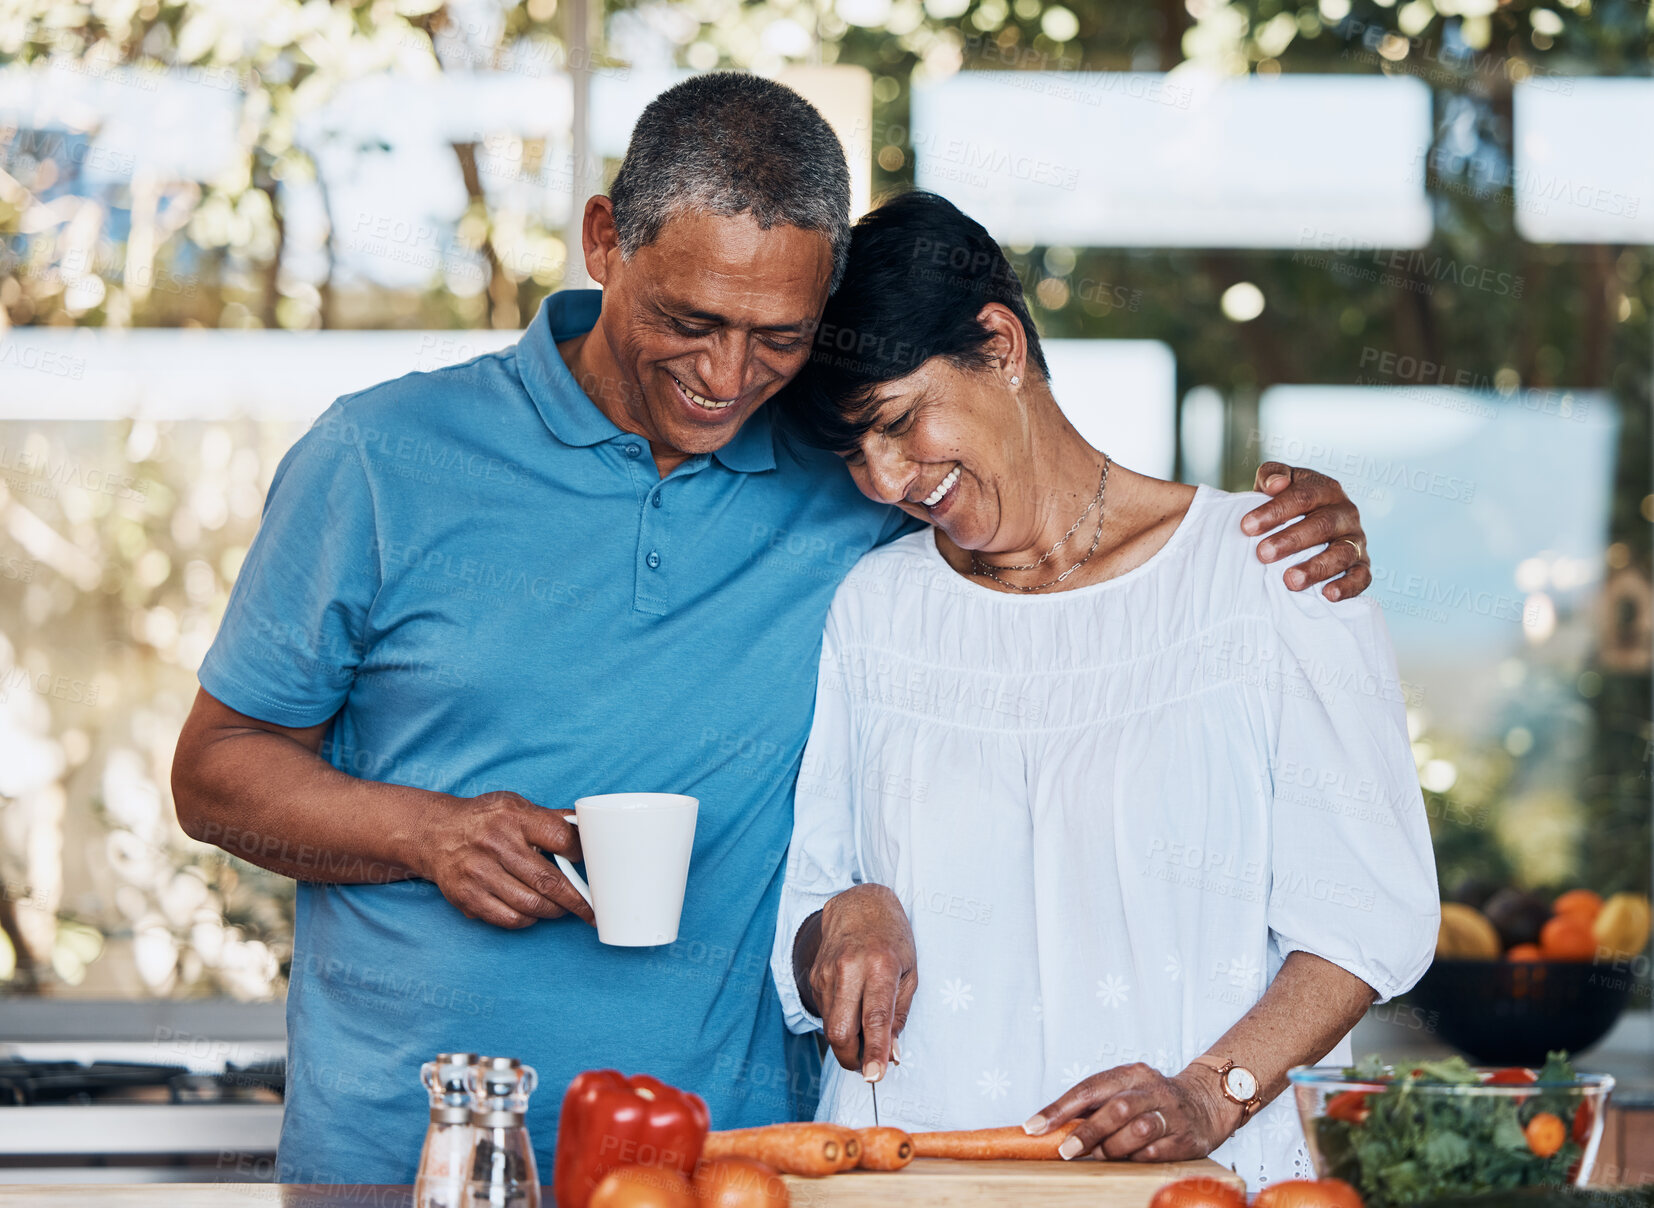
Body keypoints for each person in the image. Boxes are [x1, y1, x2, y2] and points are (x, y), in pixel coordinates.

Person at [170, 76, 1373, 1182]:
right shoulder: (381, 459)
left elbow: (1047, 530)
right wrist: (427, 831)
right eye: (690, 318)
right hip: (412, 1148)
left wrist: (1257, 541)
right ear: (605, 241)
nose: (727, 375)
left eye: (778, 336)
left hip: (739, 1159)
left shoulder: (848, 480)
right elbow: (216, 771)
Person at [770, 191, 1438, 1191]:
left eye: (898, 423)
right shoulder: (876, 609)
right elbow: (809, 914)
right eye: (852, 453)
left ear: (998, 343)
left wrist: (1208, 1092)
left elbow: (1366, 915)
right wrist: (846, 919)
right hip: (915, 1177)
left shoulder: (1267, 572)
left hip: (1193, 1181)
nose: (882, 478)